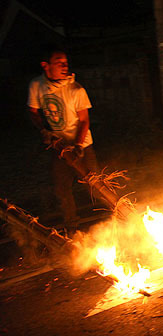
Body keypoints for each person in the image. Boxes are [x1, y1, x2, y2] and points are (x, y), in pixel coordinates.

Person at [27, 46, 98, 232]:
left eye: (66, 63)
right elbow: (33, 111)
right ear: (45, 65)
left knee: (96, 185)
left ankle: (118, 215)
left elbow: (84, 121)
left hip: (81, 145)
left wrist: (78, 146)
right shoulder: (37, 86)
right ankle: (73, 229)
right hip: (58, 146)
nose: (65, 67)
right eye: (59, 63)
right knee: (62, 190)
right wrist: (43, 130)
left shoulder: (76, 90)